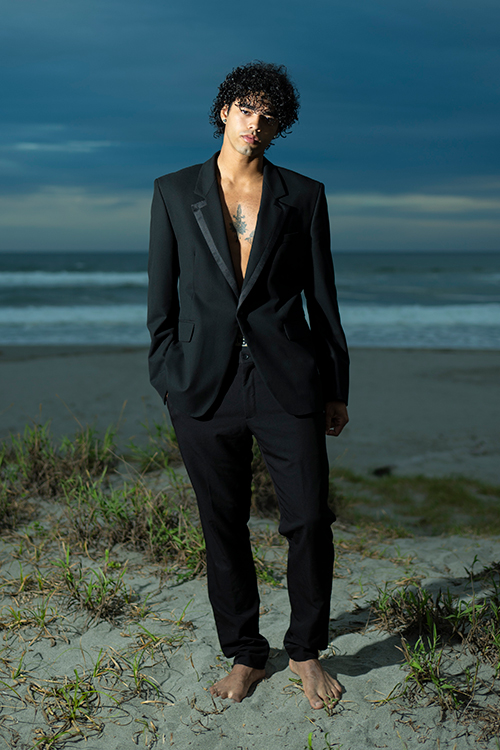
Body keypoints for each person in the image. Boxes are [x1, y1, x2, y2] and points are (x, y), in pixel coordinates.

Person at [147, 61, 349, 710]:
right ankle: (245, 653)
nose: (254, 124)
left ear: (279, 126)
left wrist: (336, 387)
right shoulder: (174, 191)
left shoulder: (304, 196)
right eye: (245, 109)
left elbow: (323, 300)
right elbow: (161, 302)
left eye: (268, 116)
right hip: (203, 385)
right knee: (222, 525)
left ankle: (306, 651)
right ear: (224, 110)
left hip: (288, 380)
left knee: (310, 519)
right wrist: (168, 376)